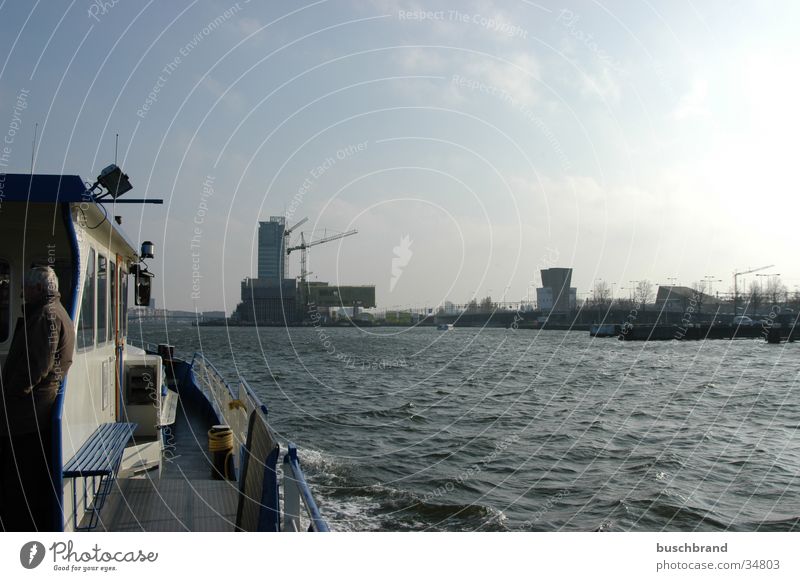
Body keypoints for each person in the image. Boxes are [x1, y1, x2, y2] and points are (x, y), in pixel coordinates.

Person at [0, 266, 74, 531]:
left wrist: (11, 393)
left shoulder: (46, 316)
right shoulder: (51, 312)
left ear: (39, 289)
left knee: (21, 481)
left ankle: (19, 530)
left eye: (27, 288)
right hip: (32, 412)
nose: (22, 293)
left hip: (28, 415)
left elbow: (36, 365)